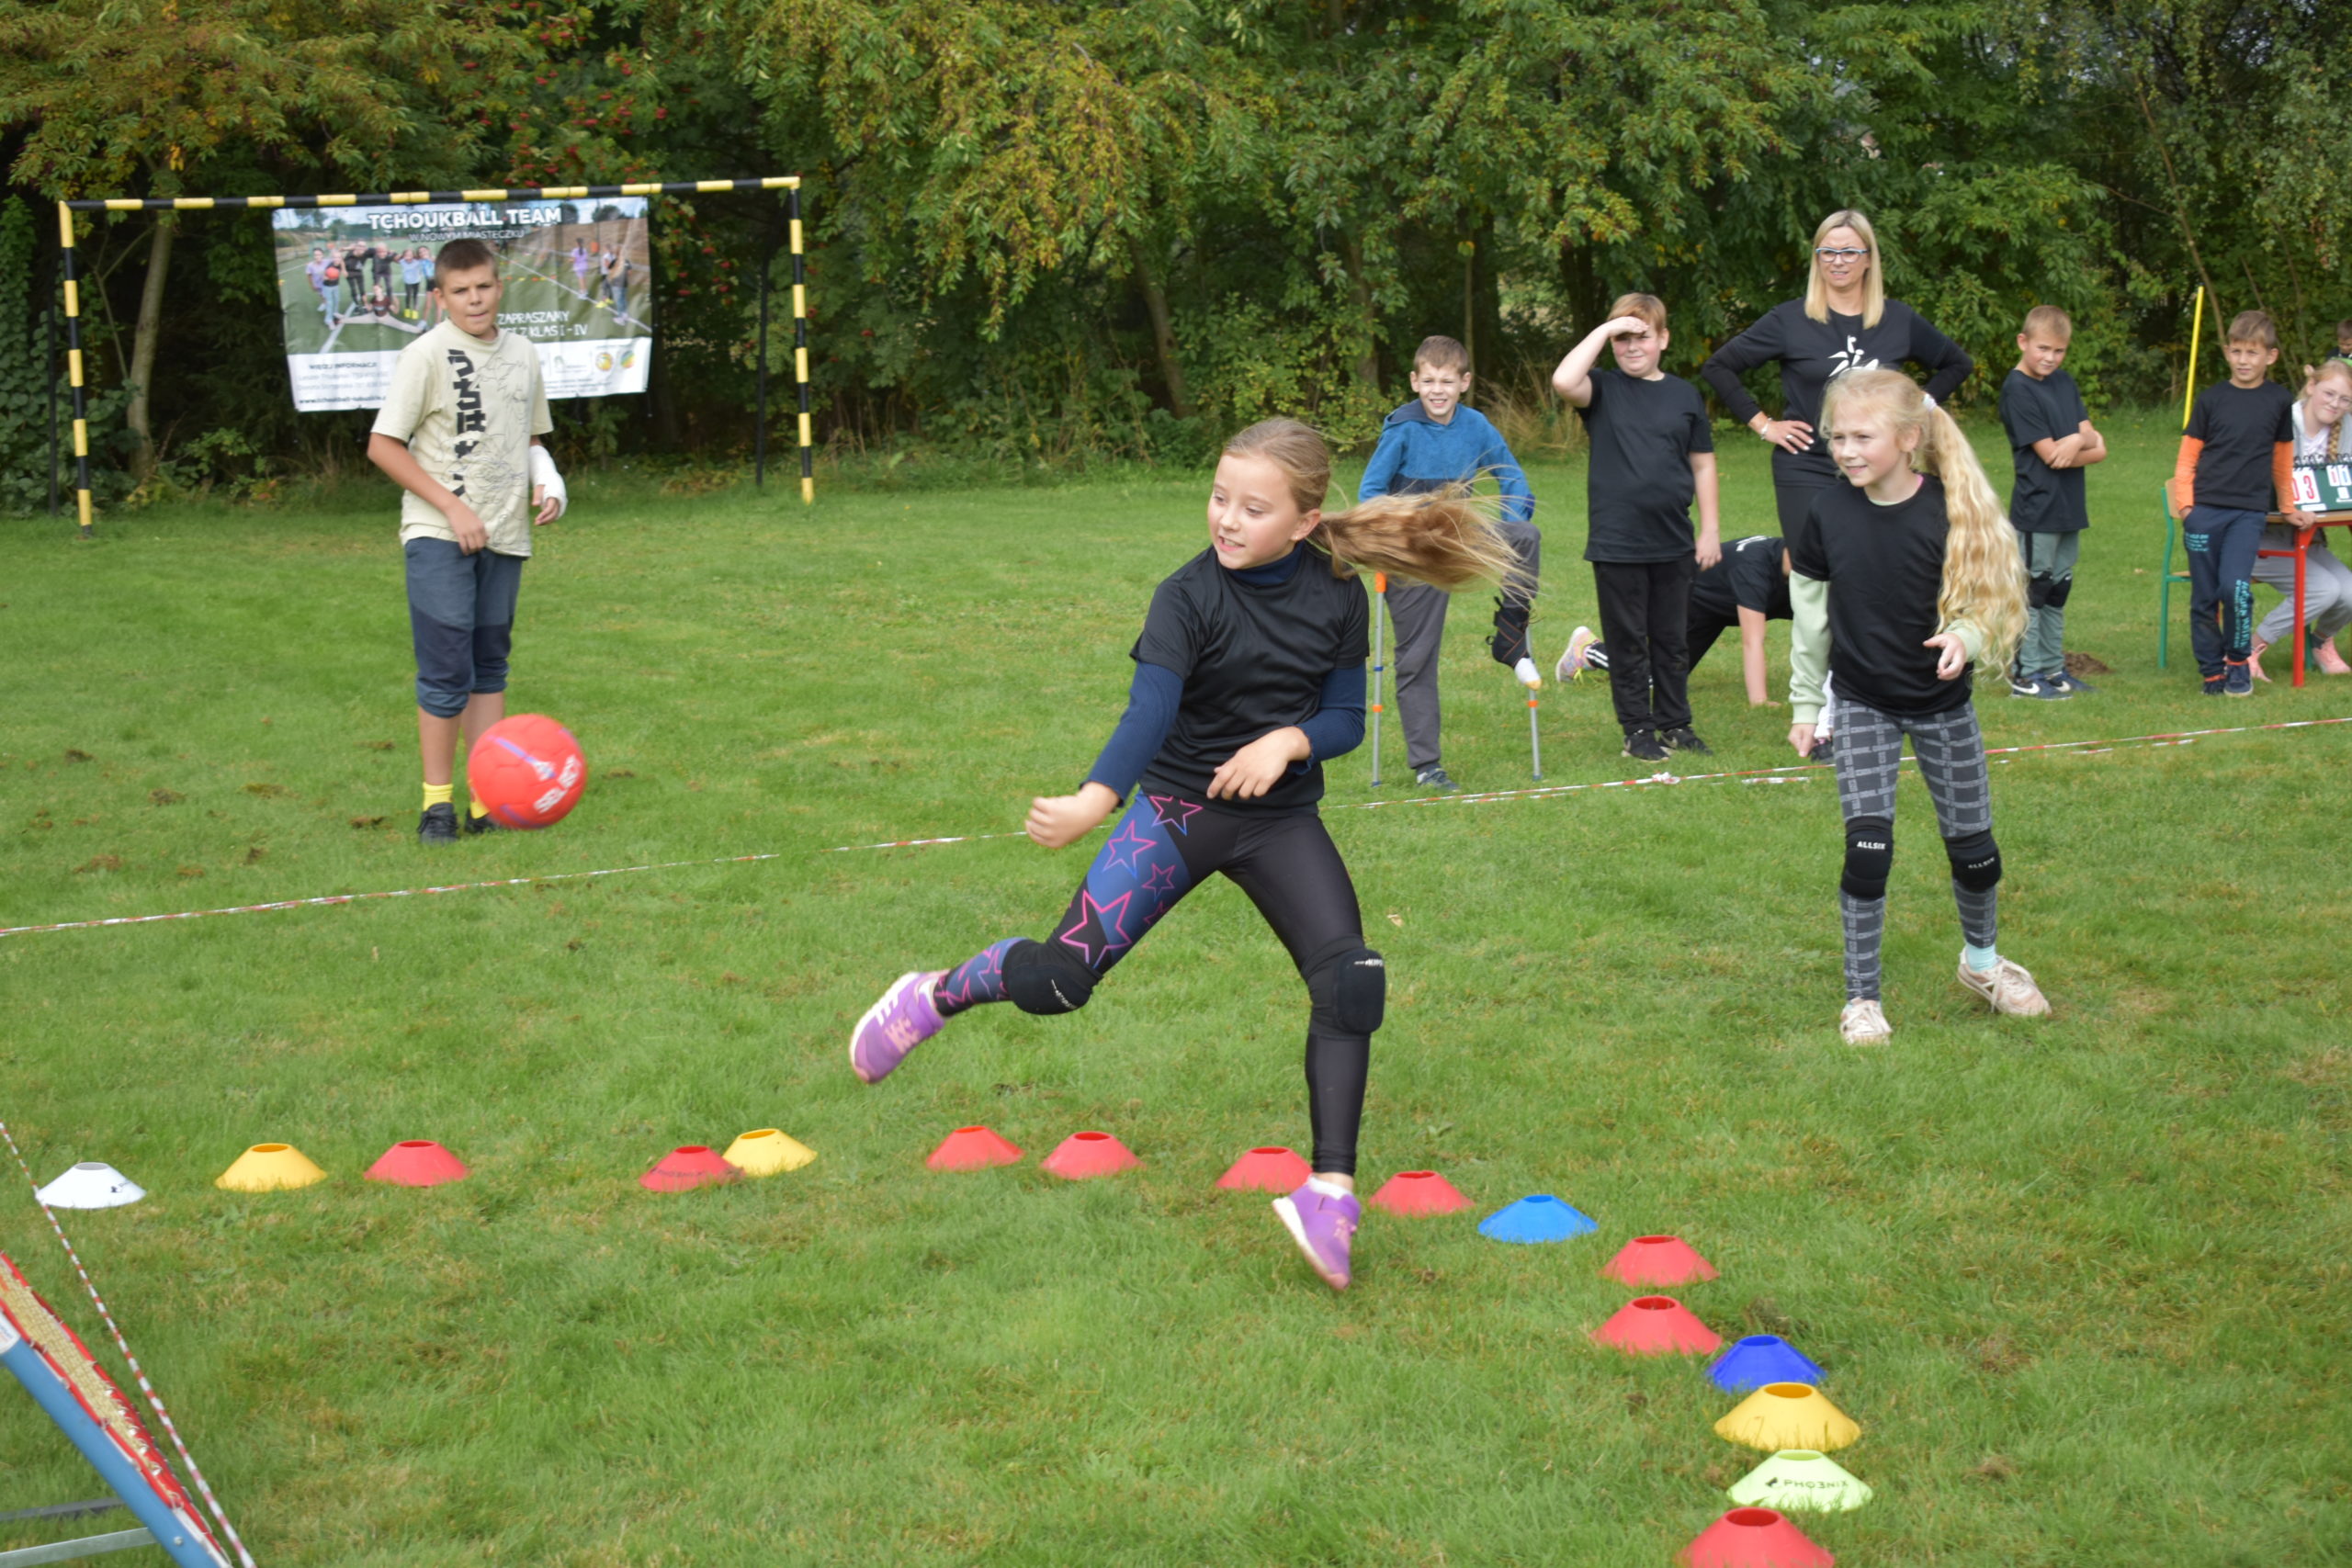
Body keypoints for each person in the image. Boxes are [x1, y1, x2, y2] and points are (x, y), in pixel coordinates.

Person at [846, 418, 1519, 1292]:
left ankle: (1330, 1193)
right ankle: (933, 993)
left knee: (1352, 979)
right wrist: (1099, 796)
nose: (1227, 520)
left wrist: (1287, 742)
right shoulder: (1185, 596)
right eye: (1218, 498)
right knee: (1059, 984)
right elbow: (1149, 710)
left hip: (1278, 821)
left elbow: (1347, 718)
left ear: (1306, 522)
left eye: (1253, 507)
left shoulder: (1338, 591)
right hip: (1174, 811)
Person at [1786, 368, 2043, 1045]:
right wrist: (1807, 705)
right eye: (1836, 436)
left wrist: (1966, 636)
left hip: (1942, 706)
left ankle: (1983, 965)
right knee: (1867, 854)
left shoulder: (1949, 507)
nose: (1844, 449)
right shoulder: (1825, 511)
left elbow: (1986, 599)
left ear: (1906, 438)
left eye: (1861, 436)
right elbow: (1810, 620)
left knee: (1977, 852)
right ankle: (1861, 999)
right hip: (1864, 702)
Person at [365, 238, 569, 844]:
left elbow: (529, 438)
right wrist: (452, 508)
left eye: (483, 286)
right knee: (445, 671)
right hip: (438, 534)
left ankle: (487, 797)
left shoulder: (524, 354)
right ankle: (436, 807)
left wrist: (547, 476)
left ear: (498, 286)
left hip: (505, 535)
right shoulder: (424, 356)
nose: (474, 299)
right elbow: (382, 446)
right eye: (460, 290)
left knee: (488, 667)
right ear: (440, 297)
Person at [1702, 209, 1974, 536]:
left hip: (1880, 464)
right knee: (1810, 567)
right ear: (1817, 259)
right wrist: (1764, 426)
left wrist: (1917, 407)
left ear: (1869, 259)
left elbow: (1958, 364)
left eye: (1849, 252)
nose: (1838, 261)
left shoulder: (1899, 320)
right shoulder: (1789, 320)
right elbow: (1718, 366)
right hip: (1807, 465)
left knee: (1877, 560)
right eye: (1827, 252)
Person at [1356, 334, 1539, 794]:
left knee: (1526, 537)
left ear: (1464, 383)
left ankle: (1511, 636)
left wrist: (1505, 522)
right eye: (1429, 381)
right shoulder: (1401, 429)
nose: (1438, 390)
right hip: (1414, 553)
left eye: (1448, 381)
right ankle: (1427, 765)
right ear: (1416, 381)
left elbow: (1512, 476)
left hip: (1463, 537)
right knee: (1417, 657)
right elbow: (1369, 493)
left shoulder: (1477, 426)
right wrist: (1398, 536)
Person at [1552, 294, 1722, 761]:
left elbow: (1703, 466)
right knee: (1628, 645)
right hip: (1617, 543)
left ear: (1663, 340)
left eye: (1641, 336)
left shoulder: (1684, 396)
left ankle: (1675, 723)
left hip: (1673, 542)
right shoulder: (1602, 389)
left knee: (1671, 642)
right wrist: (1606, 330)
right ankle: (1637, 730)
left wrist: (1709, 529)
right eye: (1622, 338)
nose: (1631, 346)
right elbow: (1564, 380)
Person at [2172, 310, 2296, 696]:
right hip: (2204, 513)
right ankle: (2211, 670)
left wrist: (2288, 507)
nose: (2244, 361)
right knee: (2205, 597)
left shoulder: (2279, 400)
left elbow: (2282, 460)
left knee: (2235, 589)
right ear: (2227, 352)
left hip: (2248, 513)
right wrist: (2187, 508)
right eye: (2237, 352)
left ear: (2270, 357)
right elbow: (2188, 457)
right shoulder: (2211, 400)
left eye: (2253, 353)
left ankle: (2238, 662)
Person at [1999, 305, 2107, 699]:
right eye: (2043, 348)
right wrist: (2080, 442)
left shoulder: (2063, 383)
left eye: (2059, 351)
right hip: (2036, 509)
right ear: (2023, 342)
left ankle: (2053, 668)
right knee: (2035, 589)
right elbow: (2050, 456)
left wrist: (2077, 440)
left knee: (2058, 589)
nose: (2050, 358)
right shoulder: (2018, 390)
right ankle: (2026, 675)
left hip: (2069, 508)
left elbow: (2097, 445)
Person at [1570, 536, 1793, 707]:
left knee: (1668, 677)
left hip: (1721, 603)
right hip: (1691, 599)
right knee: (1657, 679)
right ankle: (1588, 649)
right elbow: (1752, 640)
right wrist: (1760, 701)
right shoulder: (1753, 570)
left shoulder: (1805, 573)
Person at [2250, 359, 2352, 678]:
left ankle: (2320, 642)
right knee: (2323, 590)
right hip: (2258, 537)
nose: (2335, 404)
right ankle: (2247, 651)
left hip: (2311, 539)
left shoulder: (2347, 429)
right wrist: (2288, 508)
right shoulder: (2280, 423)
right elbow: (2252, 484)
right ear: (2311, 387)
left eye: (2345, 399)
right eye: (2329, 393)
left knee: (2348, 591)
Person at [400, 246, 427, 319]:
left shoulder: (417, 262)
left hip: (416, 281)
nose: (408, 256)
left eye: (410, 254)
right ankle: (407, 309)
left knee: (415, 295)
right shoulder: (402, 261)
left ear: (413, 255)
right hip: (407, 282)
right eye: (406, 254)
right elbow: (397, 258)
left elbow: (424, 259)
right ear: (404, 255)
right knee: (408, 295)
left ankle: (415, 310)